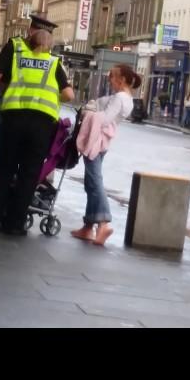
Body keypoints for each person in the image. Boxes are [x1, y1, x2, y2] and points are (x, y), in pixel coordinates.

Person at [0, 14, 74, 235]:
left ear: (31, 33)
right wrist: (52, 97)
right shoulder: (53, 62)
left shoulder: (16, 52)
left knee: (5, 167)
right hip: (42, 124)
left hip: (13, 118)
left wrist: (9, 90)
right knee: (29, 175)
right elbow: (69, 94)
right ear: (48, 41)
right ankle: (13, 224)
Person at [71, 64, 142, 246]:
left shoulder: (119, 97)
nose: (109, 78)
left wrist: (88, 112)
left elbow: (105, 118)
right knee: (91, 180)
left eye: (112, 75)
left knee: (94, 180)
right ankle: (88, 226)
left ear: (122, 79)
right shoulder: (127, 99)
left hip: (96, 140)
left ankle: (103, 223)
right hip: (103, 141)